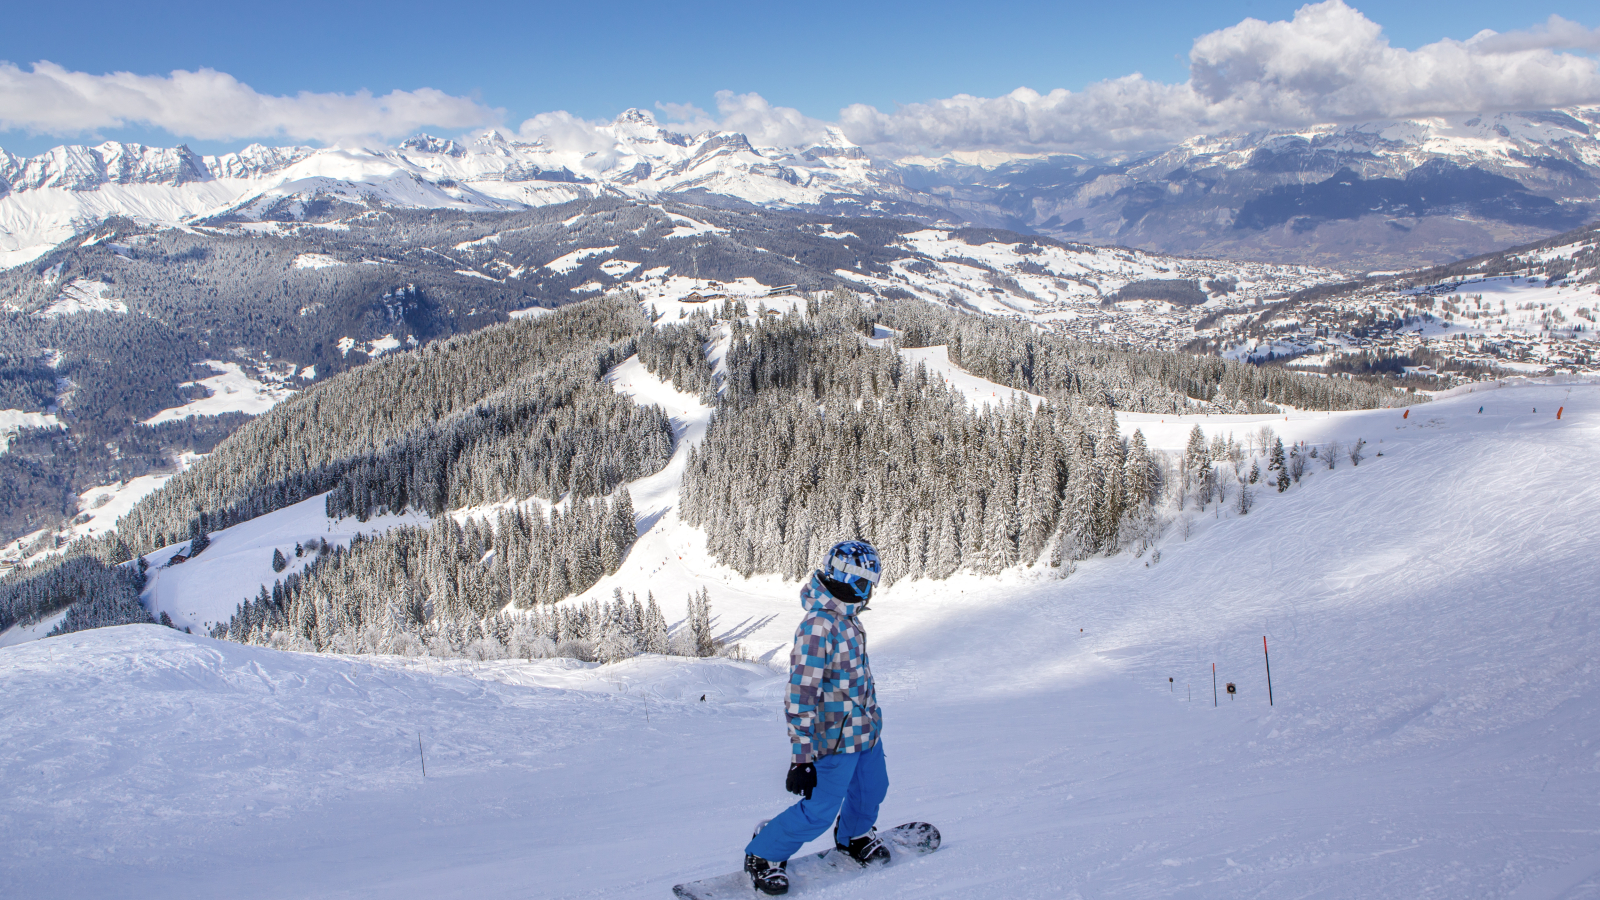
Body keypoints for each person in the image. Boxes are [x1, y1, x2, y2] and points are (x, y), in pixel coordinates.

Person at [744, 540, 889, 895]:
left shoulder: (849, 619)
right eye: (868, 583)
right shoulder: (818, 627)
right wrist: (801, 757)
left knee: (873, 789)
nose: (871, 592)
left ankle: (854, 835)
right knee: (820, 809)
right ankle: (764, 852)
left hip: (864, 732)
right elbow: (800, 695)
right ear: (851, 580)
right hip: (834, 739)